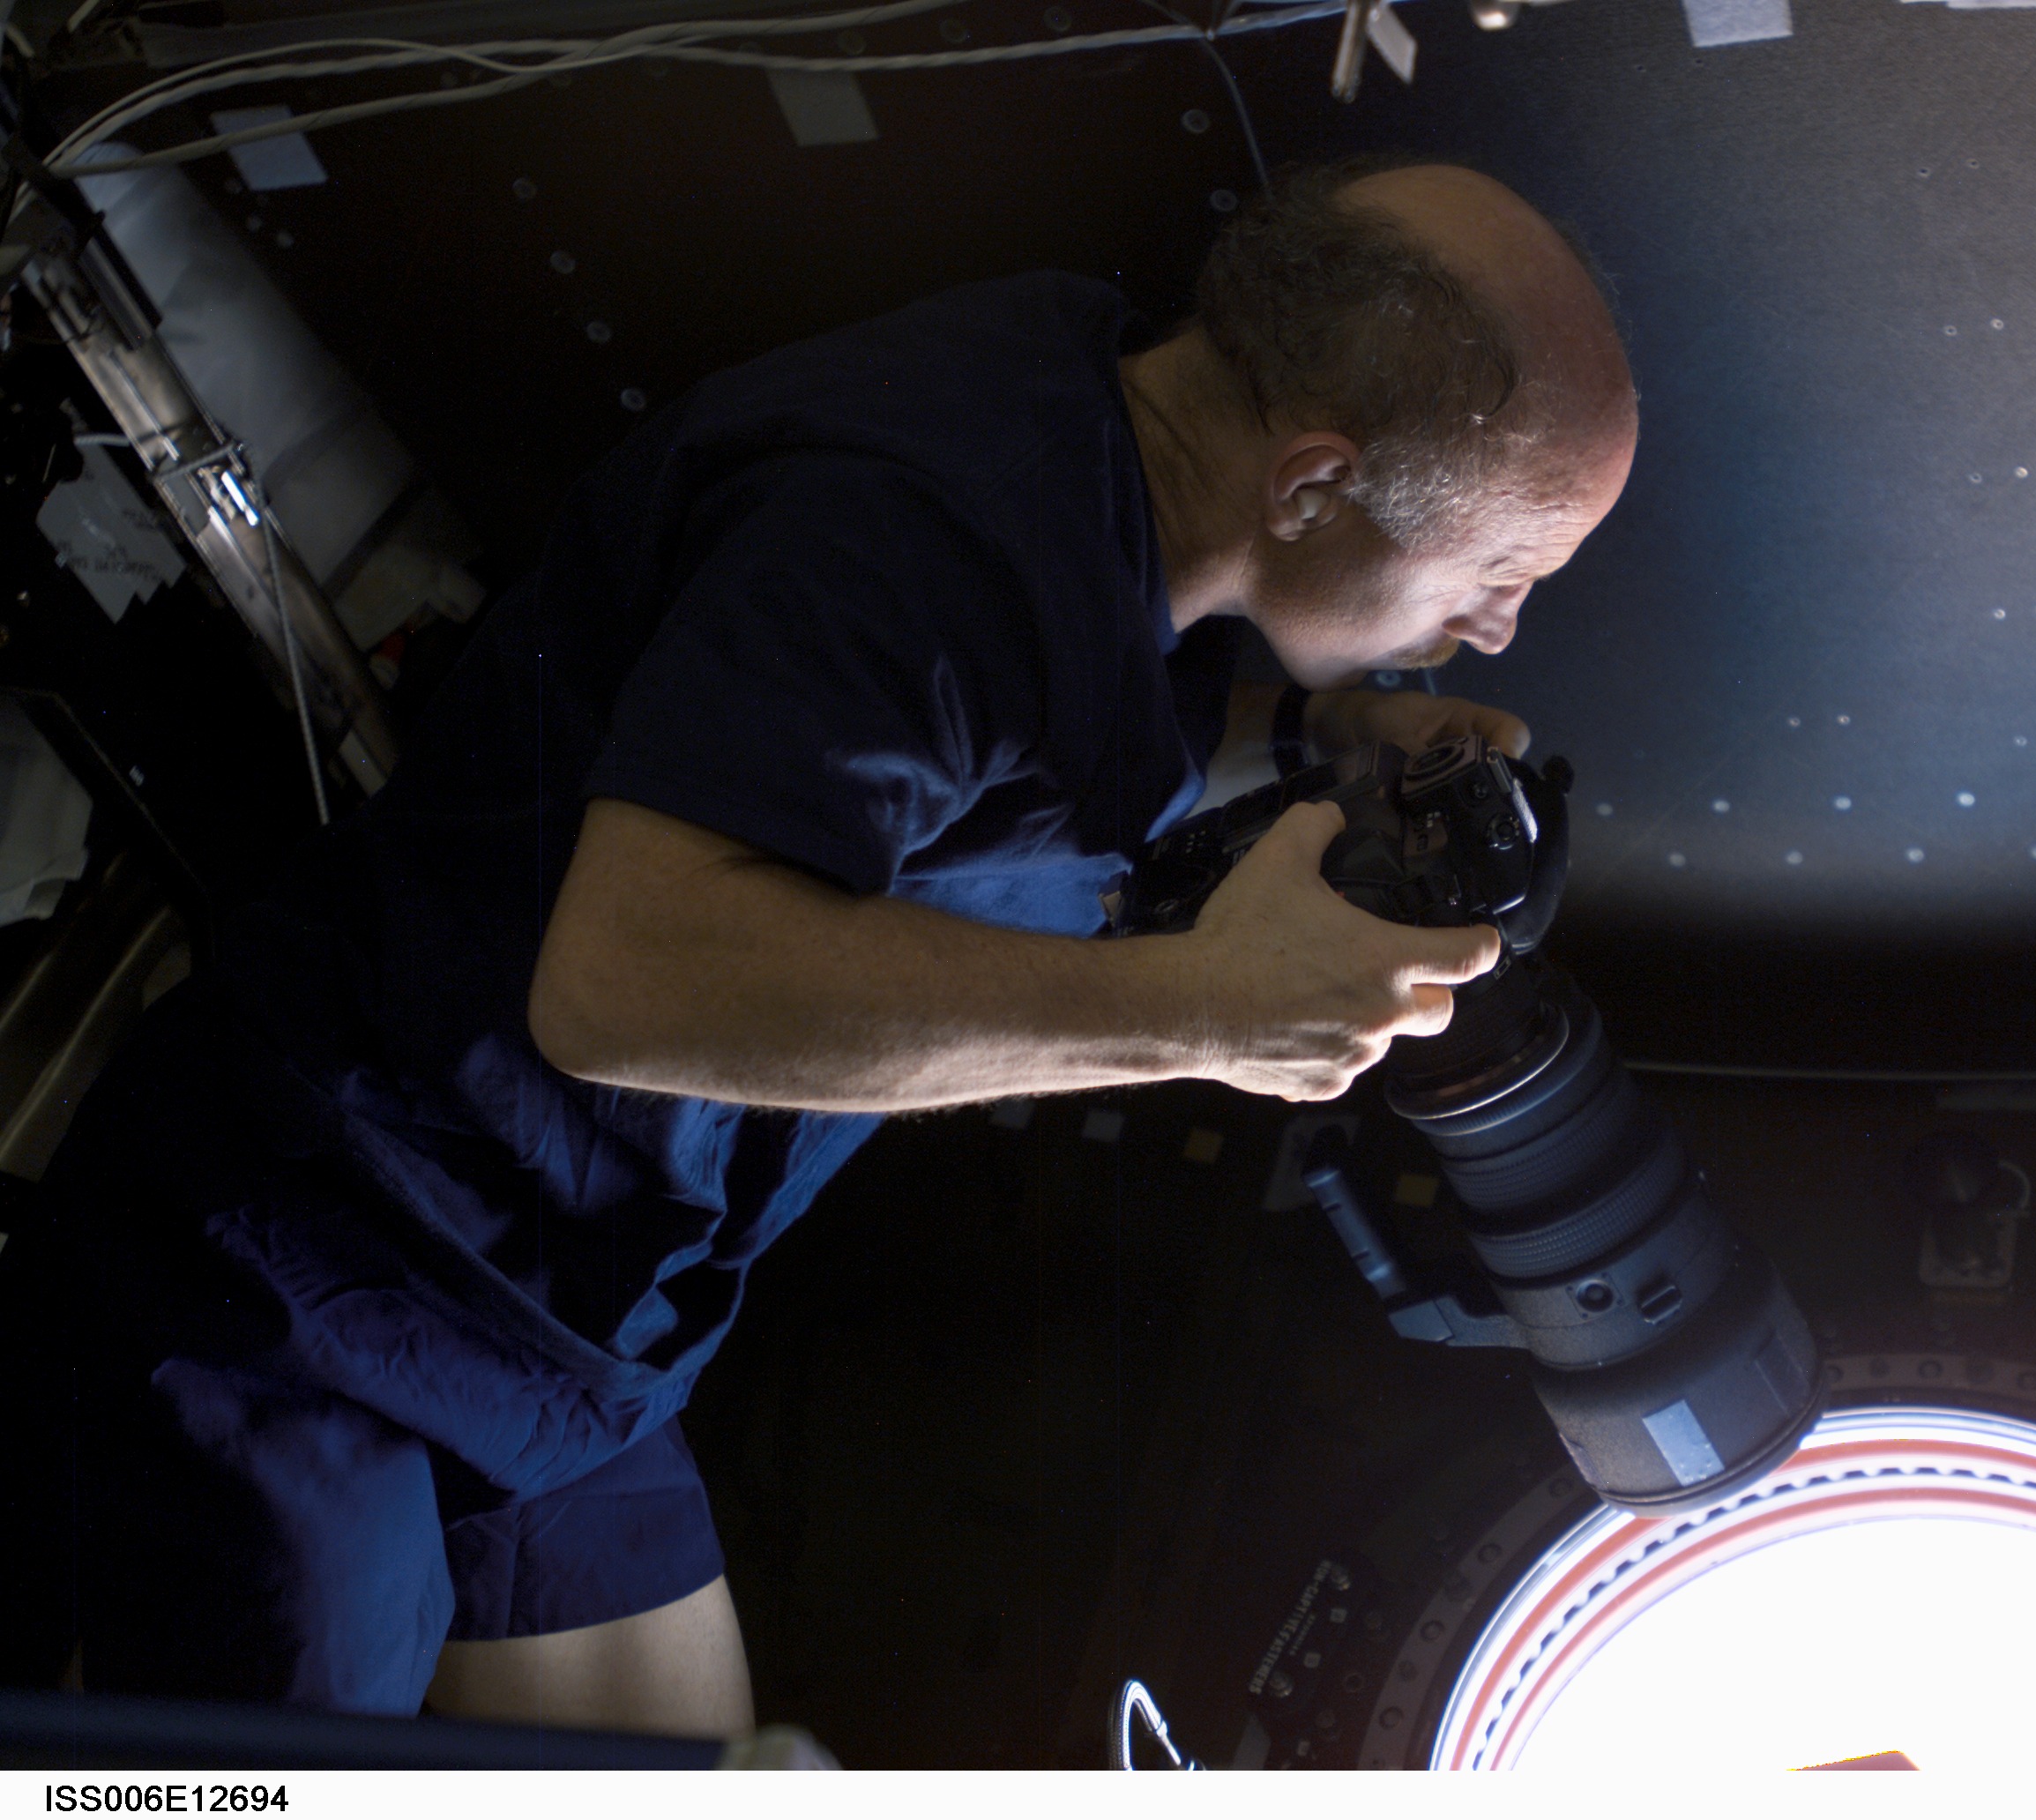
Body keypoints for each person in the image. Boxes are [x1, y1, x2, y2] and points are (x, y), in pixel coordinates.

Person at [0, 158, 1639, 1741]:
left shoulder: (1101, 425)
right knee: (223, 1798)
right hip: (332, 1267)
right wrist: (1199, 1010)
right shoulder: (913, 541)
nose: (1499, 625)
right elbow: (625, 984)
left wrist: (1319, 740)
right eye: (1500, 571)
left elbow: (993, 754)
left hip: (574, 1314)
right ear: (1312, 482)